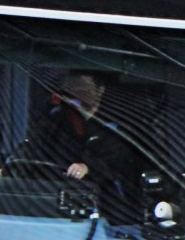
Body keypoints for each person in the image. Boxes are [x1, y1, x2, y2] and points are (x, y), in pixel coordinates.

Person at [20, 70, 144, 225]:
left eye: (83, 89)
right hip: (57, 204)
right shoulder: (53, 119)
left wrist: (89, 167)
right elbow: (33, 145)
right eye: (71, 91)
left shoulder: (117, 124)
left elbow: (122, 159)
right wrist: (12, 164)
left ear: (100, 90)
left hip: (109, 209)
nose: (76, 95)